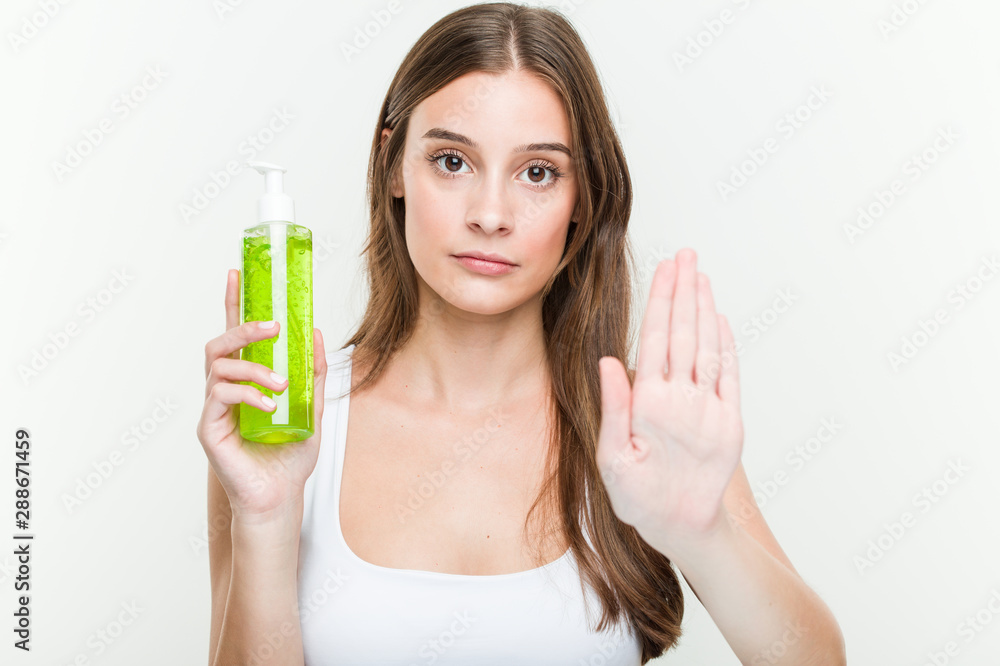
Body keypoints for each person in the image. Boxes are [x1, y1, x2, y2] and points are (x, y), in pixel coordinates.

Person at [198, 3, 846, 664]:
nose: (490, 214)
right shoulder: (285, 417)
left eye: (538, 172)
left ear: (582, 197)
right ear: (393, 165)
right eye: (452, 161)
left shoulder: (647, 427)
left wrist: (703, 535)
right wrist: (267, 518)